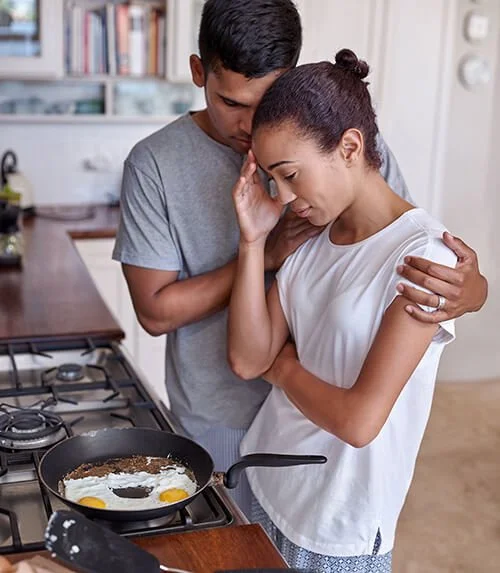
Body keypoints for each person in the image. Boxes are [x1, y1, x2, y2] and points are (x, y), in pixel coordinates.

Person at [112, 0, 487, 518]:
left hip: (323, 421)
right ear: (199, 72)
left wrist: (473, 291)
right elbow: (154, 313)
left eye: (267, 102)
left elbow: (402, 244)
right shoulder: (155, 163)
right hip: (221, 412)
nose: (250, 125)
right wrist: (267, 250)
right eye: (232, 103)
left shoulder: (333, 142)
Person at [227, 49, 462, 571]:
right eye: (272, 179)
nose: (284, 197)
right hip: (265, 478)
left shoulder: (425, 257)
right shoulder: (310, 238)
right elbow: (247, 359)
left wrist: (285, 368)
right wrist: (252, 243)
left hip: (337, 526)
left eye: (290, 174)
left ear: (350, 146)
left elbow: (359, 422)